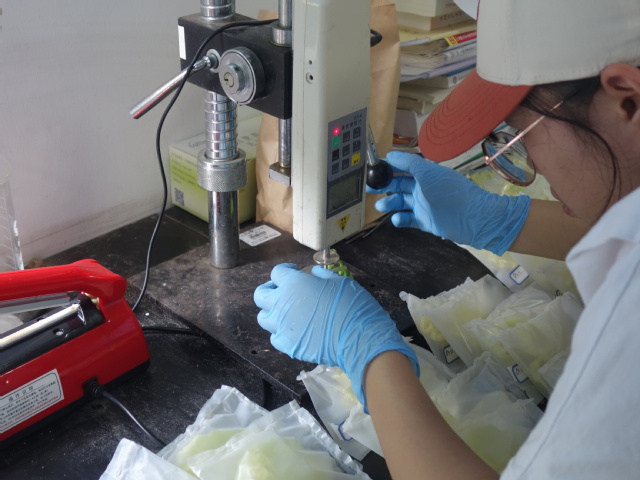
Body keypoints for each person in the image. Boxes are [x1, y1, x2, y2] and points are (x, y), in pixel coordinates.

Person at [254, 0, 640, 478]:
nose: (532, 166)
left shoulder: (625, 333)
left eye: (520, 136)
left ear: (627, 101)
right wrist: (502, 219)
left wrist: (368, 353)